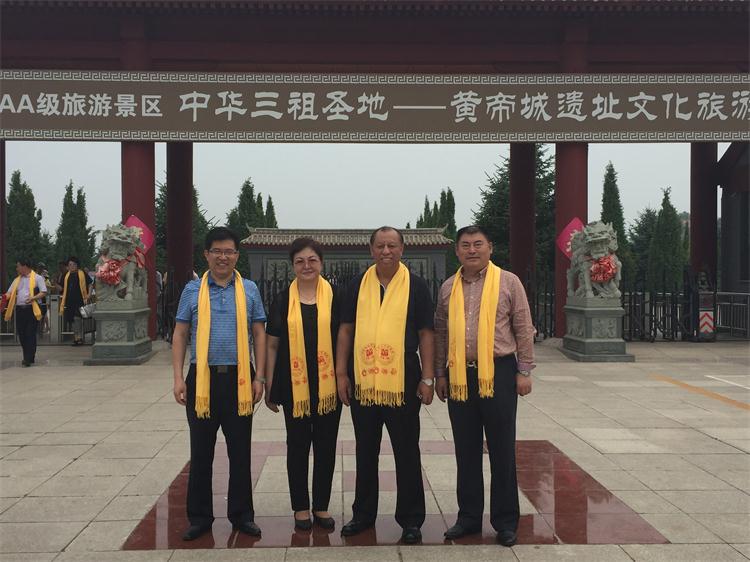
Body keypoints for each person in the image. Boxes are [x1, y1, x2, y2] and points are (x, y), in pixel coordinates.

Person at [433, 225, 535, 547]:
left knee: (502, 449)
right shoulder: (448, 287)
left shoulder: (508, 282)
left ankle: (505, 521)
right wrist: (439, 374)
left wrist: (524, 371)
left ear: (490, 247)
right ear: (457, 251)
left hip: (499, 372)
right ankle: (468, 517)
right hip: (459, 375)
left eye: (478, 244)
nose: (472, 250)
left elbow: (523, 326)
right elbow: (441, 333)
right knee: (466, 449)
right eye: (465, 245)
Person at [335, 226, 435, 545]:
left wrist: (428, 377)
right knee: (366, 450)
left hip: (403, 377)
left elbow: (426, 333)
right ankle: (363, 515)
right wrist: (341, 373)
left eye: (392, 245)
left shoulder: (416, 286)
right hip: (363, 378)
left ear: (403, 249)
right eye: (380, 246)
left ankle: (411, 519)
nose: (386, 251)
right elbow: (346, 330)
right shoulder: (356, 285)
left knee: (406, 451)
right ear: (371, 250)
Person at [172, 226, 267, 541]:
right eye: (217, 251)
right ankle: (200, 518)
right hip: (201, 379)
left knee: (240, 451)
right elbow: (181, 333)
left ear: (237, 255)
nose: (223, 257)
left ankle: (242, 516)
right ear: (207, 254)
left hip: (239, 378)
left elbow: (258, 334)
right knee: (201, 452)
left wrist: (259, 376)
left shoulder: (249, 289)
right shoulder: (192, 290)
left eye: (229, 251)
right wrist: (178, 377)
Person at [265, 237, 342, 531]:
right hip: (292, 383)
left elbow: (345, 339)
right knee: (297, 445)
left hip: (327, 385)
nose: (306, 266)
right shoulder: (283, 299)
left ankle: (321, 505)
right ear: (293, 265)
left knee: (326, 446)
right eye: (300, 261)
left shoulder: (336, 296)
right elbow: (272, 344)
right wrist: (269, 383)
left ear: (321, 263)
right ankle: (300, 507)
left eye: (312, 260)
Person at [4, 259, 48, 367]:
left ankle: (27, 358)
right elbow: (9, 293)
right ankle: (28, 356)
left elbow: (43, 292)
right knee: (22, 334)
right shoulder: (17, 280)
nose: (17, 269)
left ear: (24, 267)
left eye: (18, 266)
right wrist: (3, 298)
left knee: (30, 333)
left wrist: (33, 298)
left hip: (32, 309)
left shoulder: (37, 278)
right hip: (20, 310)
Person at [59, 256, 92, 345]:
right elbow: (61, 288)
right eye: (70, 265)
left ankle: (79, 338)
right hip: (69, 302)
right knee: (72, 320)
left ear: (77, 265)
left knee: (77, 319)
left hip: (80, 300)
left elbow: (90, 284)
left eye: (74, 264)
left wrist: (89, 295)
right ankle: (76, 338)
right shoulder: (66, 275)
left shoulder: (82, 273)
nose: (72, 266)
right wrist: (54, 284)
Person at [34, 263, 50, 334]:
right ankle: (38, 331)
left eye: (42, 268)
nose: (41, 270)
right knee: (38, 316)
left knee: (43, 315)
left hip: (42, 299)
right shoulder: (34, 277)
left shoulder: (43, 277)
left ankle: (40, 331)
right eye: (40, 268)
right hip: (36, 299)